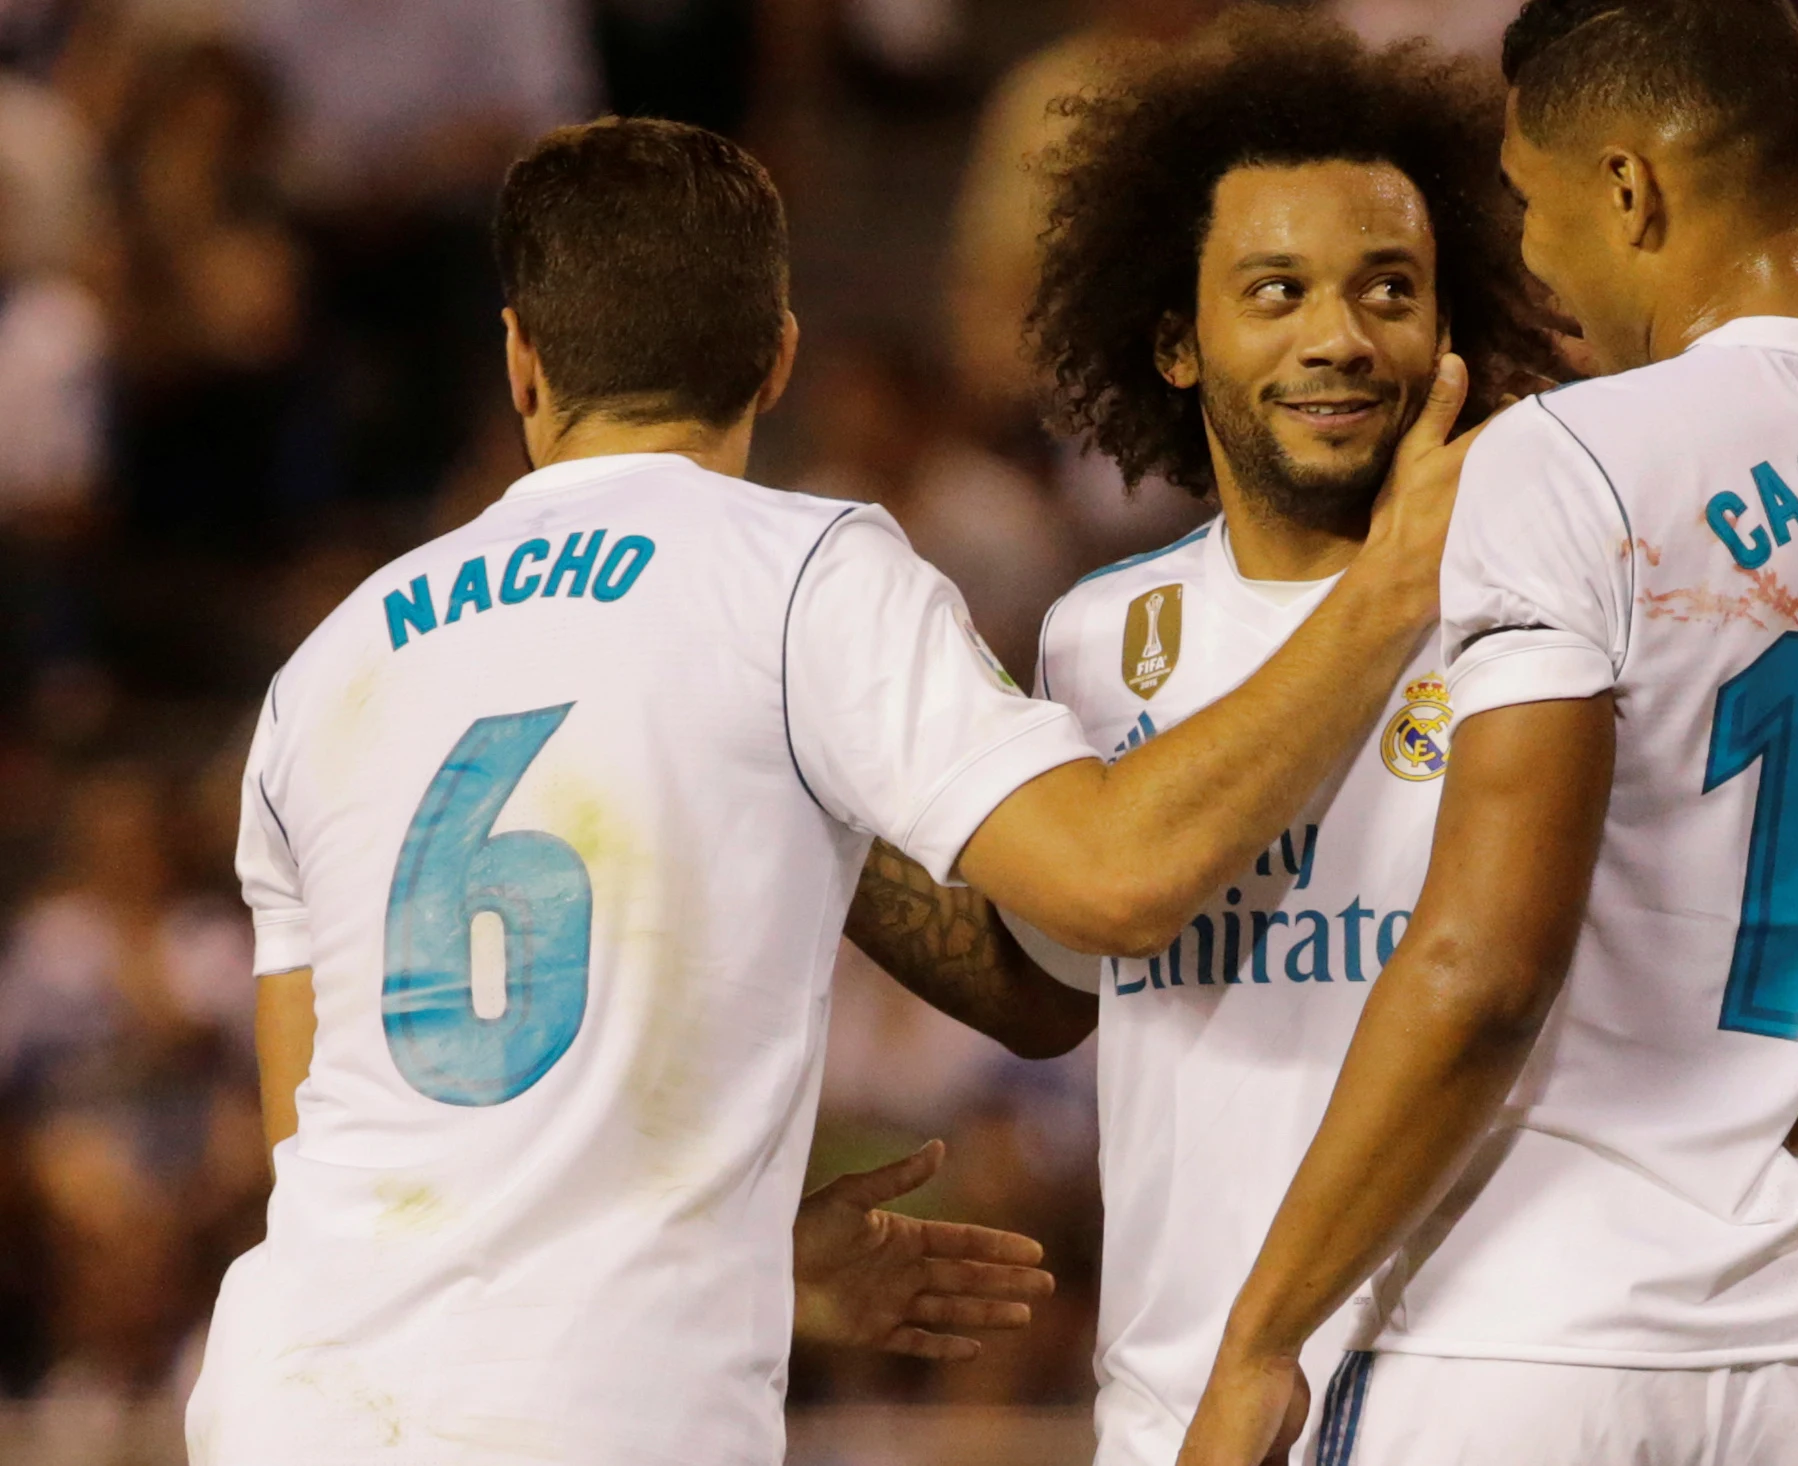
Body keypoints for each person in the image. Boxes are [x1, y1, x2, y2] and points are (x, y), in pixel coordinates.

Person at [833, 12, 1798, 1464]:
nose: (1336, 337)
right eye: (1274, 291)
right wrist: (795, 809)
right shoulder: (1101, 631)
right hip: (1185, 1400)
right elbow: (1055, 970)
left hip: (1475, 1369)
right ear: (1173, 337)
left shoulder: (1585, 550)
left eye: (1387, 287)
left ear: (1457, 310)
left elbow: (1757, 856)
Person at [184, 116, 1468, 1466]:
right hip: (589, 1420)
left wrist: (747, 1260)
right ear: (780, 354)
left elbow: (334, 1156)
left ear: (521, 359)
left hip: (288, 1398)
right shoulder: (798, 574)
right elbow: (1112, 883)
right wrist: (1388, 590)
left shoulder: (324, 669)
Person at [1179, 2, 1798, 1463]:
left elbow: (1485, 965)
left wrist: (1259, 1335)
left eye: (1531, 204)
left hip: (1537, 1335)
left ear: (1629, 189)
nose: (1533, 267)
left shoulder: (1578, 452)